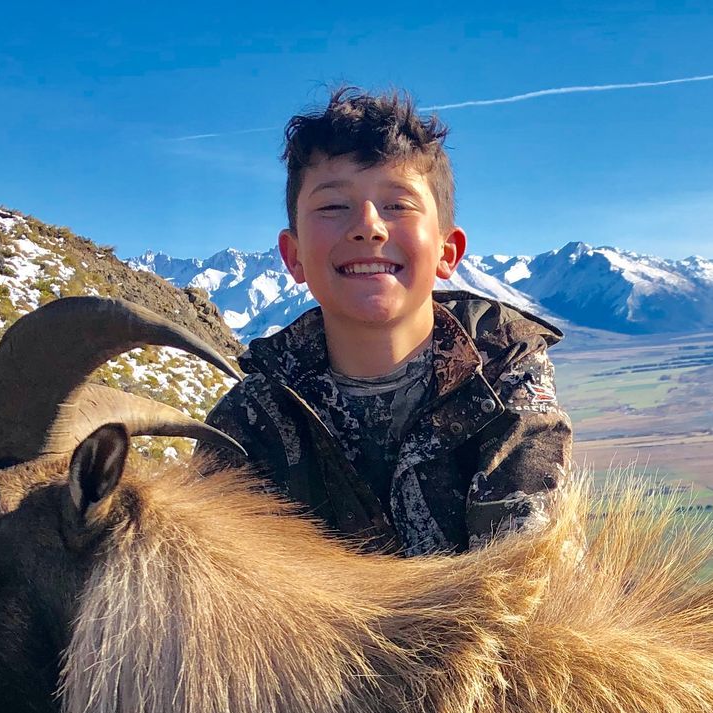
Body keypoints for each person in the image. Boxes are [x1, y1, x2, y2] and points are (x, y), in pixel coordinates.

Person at [203, 87, 571, 556]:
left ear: (447, 252)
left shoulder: (505, 386)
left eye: (398, 205)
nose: (368, 225)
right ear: (293, 257)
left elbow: (517, 586)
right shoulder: (248, 424)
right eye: (333, 207)